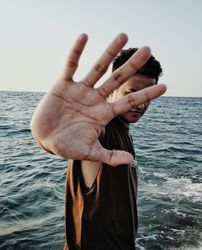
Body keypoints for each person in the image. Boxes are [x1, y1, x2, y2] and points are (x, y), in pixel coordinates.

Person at [30, 33, 166, 250]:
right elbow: (73, 137)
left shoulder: (123, 132)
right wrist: (46, 136)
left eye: (147, 97)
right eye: (132, 93)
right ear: (113, 90)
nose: (141, 104)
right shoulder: (99, 130)